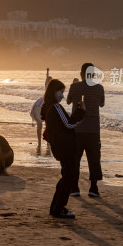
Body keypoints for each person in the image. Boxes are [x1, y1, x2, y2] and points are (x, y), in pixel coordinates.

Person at [41, 79, 84, 219]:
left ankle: (56, 207)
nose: (62, 95)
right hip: (66, 147)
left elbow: (65, 122)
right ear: (53, 91)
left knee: (66, 176)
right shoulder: (55, 107)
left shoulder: (47, 107)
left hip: (59, 147)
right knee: (69, 177)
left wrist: (77, 113)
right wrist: (81, 112)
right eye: (60, 92)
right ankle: (59, 208)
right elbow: (69, 124)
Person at [67, 62, 105, 198]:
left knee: (75, 159)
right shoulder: (99, 88)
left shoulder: (74, 86)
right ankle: (93, 188)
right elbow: (102, 104)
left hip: (77, 128)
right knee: (94, 159)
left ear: (81, 74)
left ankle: (74, 187)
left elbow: (68, 101)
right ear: (93, 74)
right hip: (93, 130)